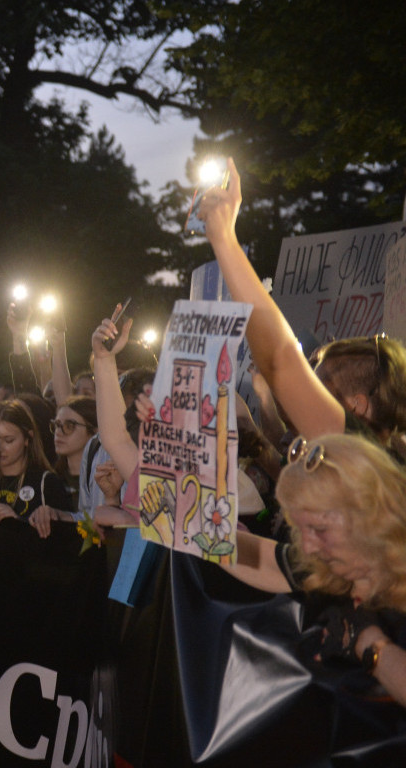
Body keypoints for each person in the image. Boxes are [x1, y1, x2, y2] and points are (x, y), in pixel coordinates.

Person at [198, 158, 406, 452]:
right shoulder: (352, 464)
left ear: (357, 407)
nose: (302, 385)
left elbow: (280, 360)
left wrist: (225, 241)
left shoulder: (362, 459)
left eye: (316, 383)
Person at [221, 434, 406, 707]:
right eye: (300, 529)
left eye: (319, 530)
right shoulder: (335, 569)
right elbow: (266, 562)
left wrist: (371, 645)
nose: (307, 547)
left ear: (369, 516)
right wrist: (197, 531)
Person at [0, 399, 74, 540]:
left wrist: (18, 522)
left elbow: (63, 540)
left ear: (27, 438)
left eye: (8, 440)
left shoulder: (46, 482)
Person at [51, 395, 98, 513]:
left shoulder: (105, 479)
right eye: (57, 425)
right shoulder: (50, 479)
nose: (58, 432)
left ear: (94, 432)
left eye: (69, 426)